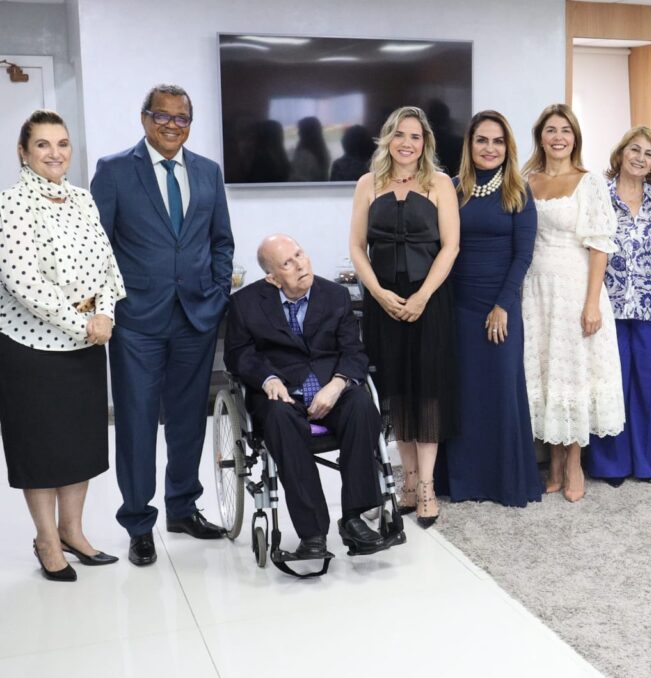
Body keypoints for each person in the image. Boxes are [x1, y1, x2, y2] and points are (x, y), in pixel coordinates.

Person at [91, 84, 235, 566]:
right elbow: (98, 247)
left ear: (190, 123)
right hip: (136, 321)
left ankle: (183, 507)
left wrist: (217, 292)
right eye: (163, 116)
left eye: (182, 118)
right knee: (136, 423)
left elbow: (221, 241)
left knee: (189, 419)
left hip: (196, 317)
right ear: (145, 119)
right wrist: (108, 307)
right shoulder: (114, 171)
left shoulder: (208, 172)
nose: (172, 125)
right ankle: (138, 522)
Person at [0, 110, 125, 580]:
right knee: (41, 449)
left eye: (63, 143)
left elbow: (108, 265)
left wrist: (106, 313)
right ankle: (47, 540)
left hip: (86, 342)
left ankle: (73, 531)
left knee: (80, 444)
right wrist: (84, 323)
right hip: (31, 347)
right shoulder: (12, 203)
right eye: (43, 145)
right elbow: (22, 283)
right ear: (23, 152)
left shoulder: (82, 199)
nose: (55, 153)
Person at [224, 235, 389, 558]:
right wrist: (268, 378)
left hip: (331, 389)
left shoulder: (335, 295)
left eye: (300, 254)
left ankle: (354, 519)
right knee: (279, 419)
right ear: (272, 278)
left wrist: (338, 384)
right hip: (283, 394)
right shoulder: (245, 303)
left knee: (361, 405)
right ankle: (313, 534)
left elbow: (354, 352)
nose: (300, 265)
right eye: (288, 263)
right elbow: (238, 354)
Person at [349, 106, 460, 527]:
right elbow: (357, 246)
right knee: (394, 391)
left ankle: (427, 486)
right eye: (399, 134)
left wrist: (422, 296)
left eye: (415, 136)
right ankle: (408, 480)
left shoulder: (440, 183)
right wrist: (378, 294)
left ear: (425, 142)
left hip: (429, 302)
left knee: (426, 392)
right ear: (387, 139)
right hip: (383, 304)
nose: (406, 143)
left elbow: (450, 246)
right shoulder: (367, 183)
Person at [521, 104, 625, 503]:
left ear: (575, 137)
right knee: (547, 373)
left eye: (566, 130)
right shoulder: (525, 180)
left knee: (573, 374)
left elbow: (599, 247)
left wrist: (592, 303)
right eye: (551, 130)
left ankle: (575, 463)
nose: (558, 137)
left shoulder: (589, 182)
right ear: (540, 137)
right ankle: (554, 461)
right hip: (535, 290)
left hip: (576, 289)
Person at [439, 110, 541, 507]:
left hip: (500, 305)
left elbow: (523, 255)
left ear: (507, 147)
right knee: (463, 394)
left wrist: (502, 305)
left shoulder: (518, 190)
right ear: (469, 144)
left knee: (500, 391)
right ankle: (462, 480)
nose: (489, 148)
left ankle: (503, 482)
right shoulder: (452, 188)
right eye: (482, 140)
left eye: (498, 141)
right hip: (457, 307)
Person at [588, 126, 651, 486]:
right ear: (621, 153)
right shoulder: (599, 195)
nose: (640, 158)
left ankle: (647, 463)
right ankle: (611, 465)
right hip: (609, 308)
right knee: (610, 386)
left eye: (648, 153)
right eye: (634, 150)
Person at [289, 116, 330, 182]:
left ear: (305, 132)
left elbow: (297, 180)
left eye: (300, 130)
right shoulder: (324, 152)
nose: (298, 133)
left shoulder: (304, 156)